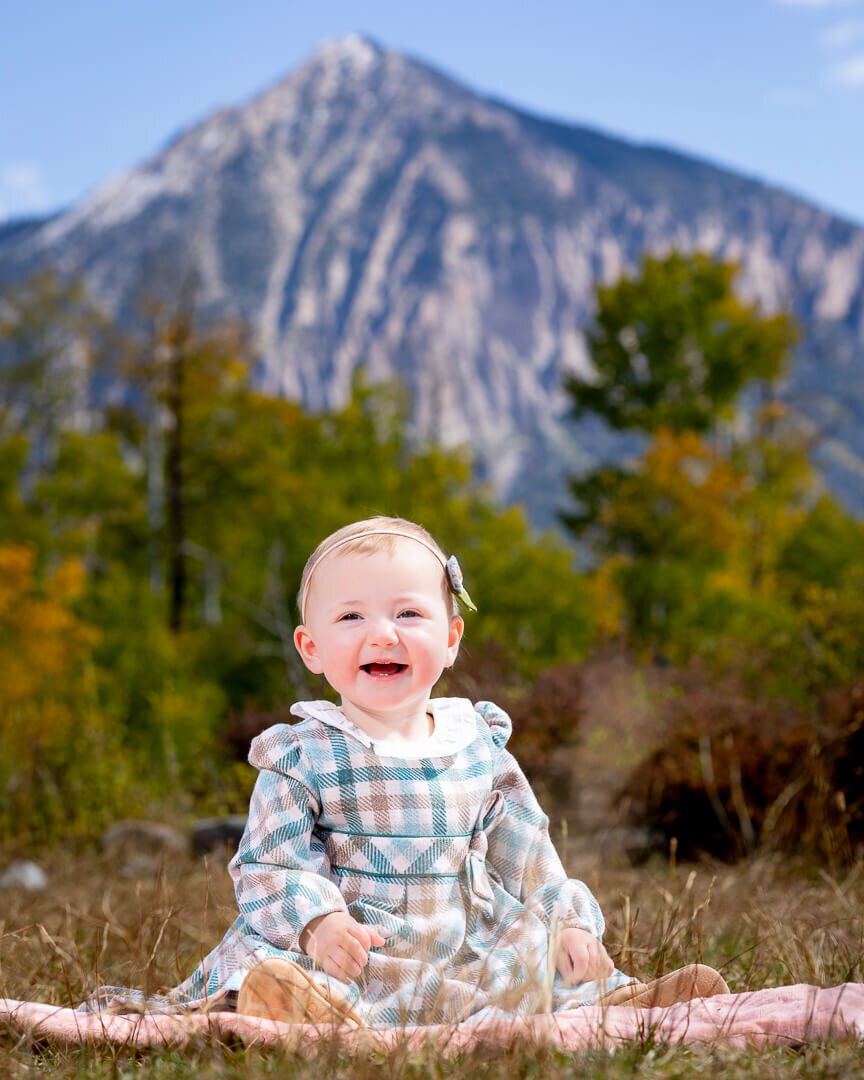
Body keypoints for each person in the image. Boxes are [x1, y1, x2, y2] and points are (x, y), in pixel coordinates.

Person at [83, 516, 728, 1026]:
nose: (383, 634)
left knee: (527, 963)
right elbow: (269, 864)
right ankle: (298, 1011)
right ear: (312, 648)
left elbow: (530, 858)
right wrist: (318, 924)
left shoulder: (477, 749)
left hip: (460, 949)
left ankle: (615, 1005)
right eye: (351, 616)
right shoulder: (301, 755)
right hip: (345, 953)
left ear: (450, 639)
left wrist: (569, 924)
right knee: (290, 976)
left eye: (408, 613)